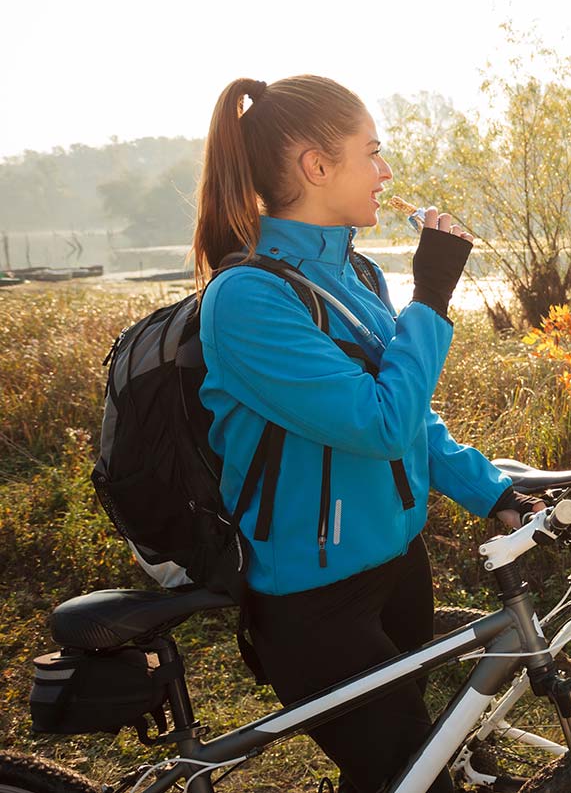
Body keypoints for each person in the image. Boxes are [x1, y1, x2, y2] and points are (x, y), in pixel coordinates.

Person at [192, 75, 533, 793]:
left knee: (389, 774)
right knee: (414, 777)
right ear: (317, 167)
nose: (385, 173)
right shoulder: (248, 298)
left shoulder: (358, 272)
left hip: (397, 566)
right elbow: (379, 423)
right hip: (316, 603)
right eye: (371, 153)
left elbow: (410, 420)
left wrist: (491, 489)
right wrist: (434, 295)